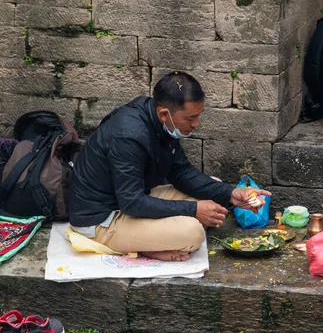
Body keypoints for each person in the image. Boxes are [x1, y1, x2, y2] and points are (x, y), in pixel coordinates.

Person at [69, 71, 270, 262]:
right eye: (191, 118)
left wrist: (231, 193)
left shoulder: (159, 121)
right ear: (164, 114)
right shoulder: (128, 136)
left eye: (198, 116)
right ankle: (147, 248)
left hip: (130, 200)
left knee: (213, 191)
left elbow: (181, 172)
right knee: (192, 232)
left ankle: (156, 239)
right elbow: (131, 202)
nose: (196, 124)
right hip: (101, 220)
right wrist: (193, 210)